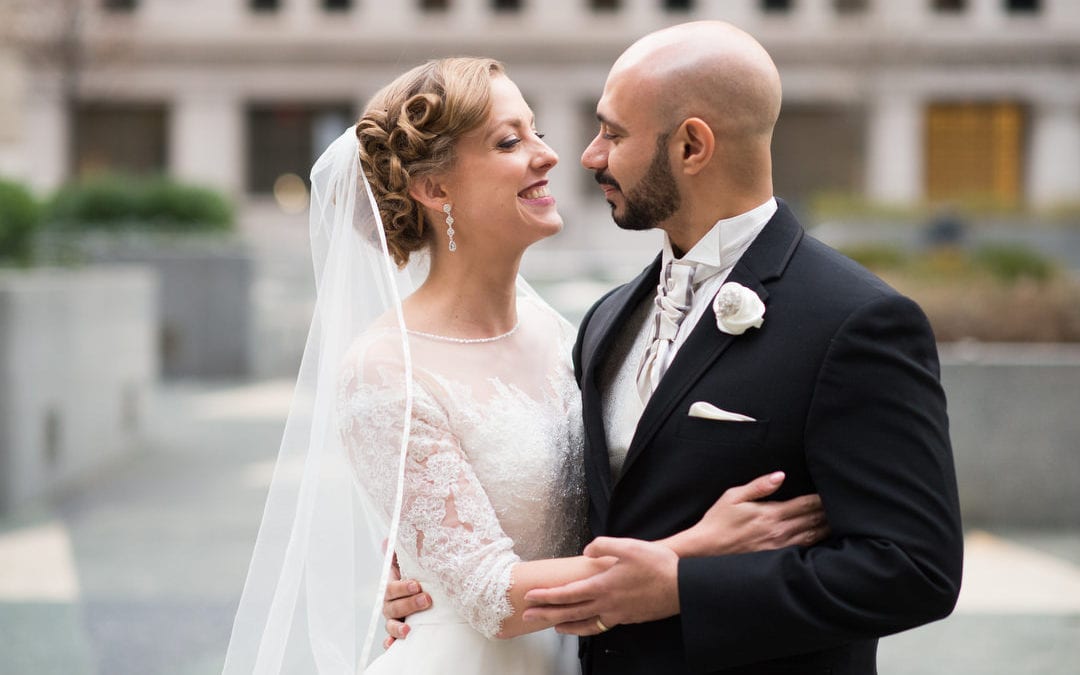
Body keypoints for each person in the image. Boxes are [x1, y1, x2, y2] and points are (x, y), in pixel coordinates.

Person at [387, 21, 964, 675]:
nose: (587, 155)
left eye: (614, 132)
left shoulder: (855, 321)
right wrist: (438, 577)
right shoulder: (605, 321)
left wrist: (682, 585)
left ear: (692, 145)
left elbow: (916, 568)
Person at [221, 56, 827, 675]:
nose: (549, 155)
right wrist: (694, 551)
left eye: (535, 131)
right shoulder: (383, 371)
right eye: (509, 141)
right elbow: (490, 595)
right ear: (434, 190)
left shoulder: (573, 333)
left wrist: (422, 561)